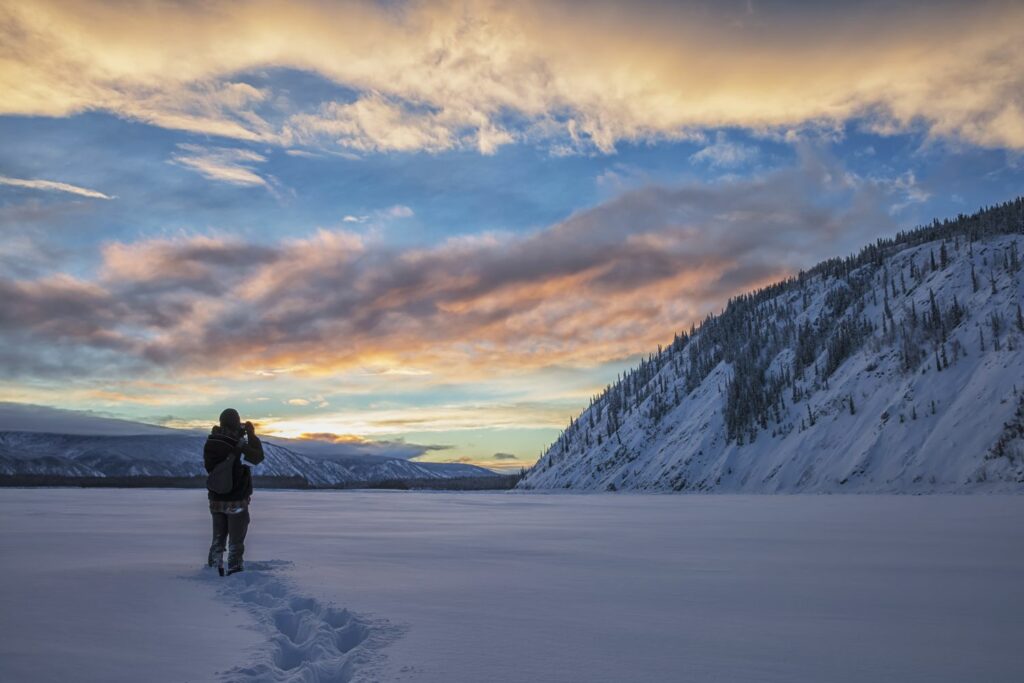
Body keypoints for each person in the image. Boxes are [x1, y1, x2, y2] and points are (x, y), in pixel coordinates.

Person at [204, 408, 265, 576]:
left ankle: (213, 571)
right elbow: (257, 457)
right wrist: (251, 435)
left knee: (218, 539)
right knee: (236, 542)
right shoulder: (236, 443)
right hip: (236, 501)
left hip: (216, 500)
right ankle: (235, 571)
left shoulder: (211, 441)